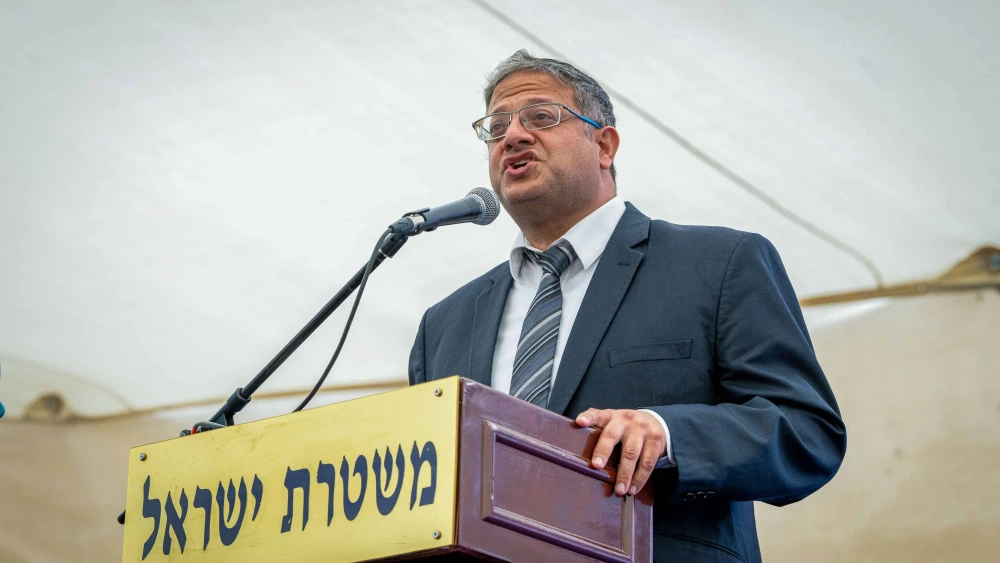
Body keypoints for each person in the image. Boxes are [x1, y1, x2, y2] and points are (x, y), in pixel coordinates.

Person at [408, 50, 846, 563]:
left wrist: (667, 433)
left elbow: (806, 433)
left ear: (604, 144)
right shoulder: (445, 323)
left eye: (541, 117)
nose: (513, 136)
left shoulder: (719, 264)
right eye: (496, 126)